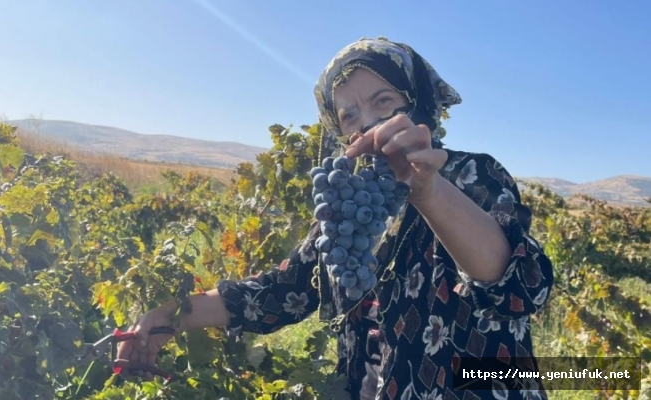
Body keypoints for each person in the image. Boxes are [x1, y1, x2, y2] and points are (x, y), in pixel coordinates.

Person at [117, 37, 554, 399]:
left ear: (416, 102)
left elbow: (519, 288)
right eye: (349, 115)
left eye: (384, 100)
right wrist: (171, 315)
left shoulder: (471, 174)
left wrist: (429, 189)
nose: (367, 123)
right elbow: (282, 292)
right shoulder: (349, 200)